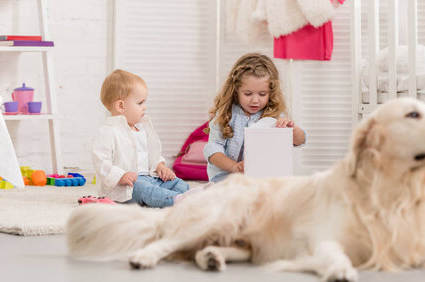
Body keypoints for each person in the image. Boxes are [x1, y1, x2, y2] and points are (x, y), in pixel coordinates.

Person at [89, 69, 189, 207]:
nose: (145, 107)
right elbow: (101, 161)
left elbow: (150, 153)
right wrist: (121, 176)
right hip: (128, 185)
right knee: (144, 189)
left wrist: (159, 166)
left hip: (150, 178)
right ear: (121, 106)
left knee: (179, 183)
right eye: (140, 103)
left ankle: (176, 196)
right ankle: (176, 200)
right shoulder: (108, 132)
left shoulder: (141, 128)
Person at [204, 53, 306, 183]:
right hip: (226, 176)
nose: (255, 100)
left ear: (271, 92)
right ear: (236, 90)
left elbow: (300, 141)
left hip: (262, 177)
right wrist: (234, 166)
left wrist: (293, 128)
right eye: (248, 94)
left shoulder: (274, 116)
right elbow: (212, 150)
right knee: (234, 195)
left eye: (262, 94)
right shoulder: (224, 114)